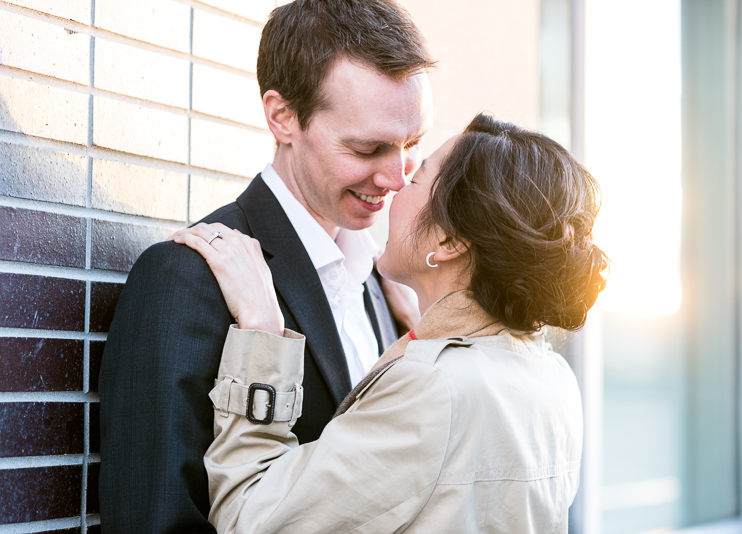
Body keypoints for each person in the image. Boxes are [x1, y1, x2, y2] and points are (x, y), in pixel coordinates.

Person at [171, 113, 609, 532]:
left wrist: (262, 336)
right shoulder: (551, 376)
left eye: (416, 178)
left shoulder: (434, 389)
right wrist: (423, 328)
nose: (395, 183)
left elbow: (251, 519)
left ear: (451, 240)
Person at [98, 0, 435, 531]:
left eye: (412, 144)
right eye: (368, 148)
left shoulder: (383, 287)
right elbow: (151, 516)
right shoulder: (184, 280)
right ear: (282, 117)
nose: (396, 178)